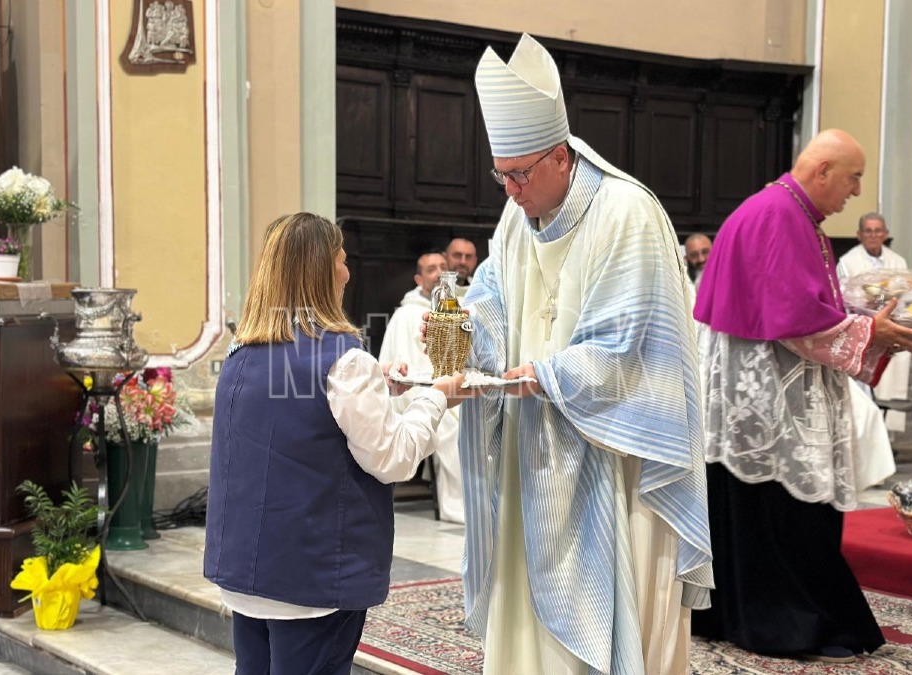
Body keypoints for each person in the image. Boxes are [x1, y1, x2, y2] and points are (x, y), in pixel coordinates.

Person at [459, 34, 712, 674]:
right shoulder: (514, 218)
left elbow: (630, 343)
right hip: (535, 436)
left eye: (520, 174)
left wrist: (546, 375)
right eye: (501, 174)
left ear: (562, 158)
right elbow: (490, 295)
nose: (510, 190)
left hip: (619, 452)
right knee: (527, 581)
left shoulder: (627, 211)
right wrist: (461, 343)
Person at [691, 129, 912, 663]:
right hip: (770, 397)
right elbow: (794, 320)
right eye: (853, 177)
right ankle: (788, 624)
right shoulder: (779, 215)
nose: (856, 192)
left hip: (759, 390)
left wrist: (861, 320)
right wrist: (872, 333)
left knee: (750, 510)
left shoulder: (788, 212)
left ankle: (734, 614)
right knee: (783, 513)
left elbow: (803, 305)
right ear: (822, 170)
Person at [203, 213, 473, 674]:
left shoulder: (239, 354)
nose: (347, 271)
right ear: (321, 270)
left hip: (247, 572)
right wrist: (437, 396)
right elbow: (392, 459)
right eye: (341, 260)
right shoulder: (342, 359)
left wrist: (379, 385)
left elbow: (297, 415)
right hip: (311, 577)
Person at [379, 251, 465, 524]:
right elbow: (404, 366)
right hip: (418, 389)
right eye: (431, 269)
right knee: (454, 427)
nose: (439, 273)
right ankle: (464, 506)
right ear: (419, 278)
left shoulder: (459, 306)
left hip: (453, 383)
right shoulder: (406, 315)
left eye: (443, 267)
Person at [838, 212, 912, 434]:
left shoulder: (897, 261)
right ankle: (867, 435)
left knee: (893, 379)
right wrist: (875, 299)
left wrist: (887, 298)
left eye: (878, 231)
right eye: (868, 231)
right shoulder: (848, 262)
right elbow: (844, 296)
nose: (873, 235)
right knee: (865, 389)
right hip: (865, 329)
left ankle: (887, 435)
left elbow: (906, 292)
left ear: (886, 234)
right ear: (859, 235)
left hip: (892, 325)